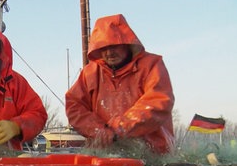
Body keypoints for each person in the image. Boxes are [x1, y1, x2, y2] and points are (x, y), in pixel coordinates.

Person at [65, 14, 174, 154]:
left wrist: (119, 128)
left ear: (127, 43)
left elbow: (159, 102)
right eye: (103, 47)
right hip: (105, 154)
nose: (109, 52)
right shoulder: (89, 73)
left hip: (152, 154)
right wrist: (98, 130)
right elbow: (74, 106)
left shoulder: (151, 65)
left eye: (114, 46)